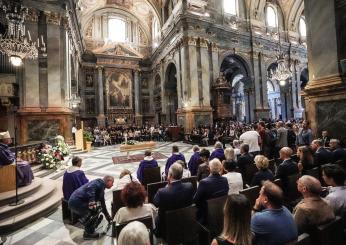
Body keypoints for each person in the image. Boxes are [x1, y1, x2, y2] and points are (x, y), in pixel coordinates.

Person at [153, 163, 195, 237]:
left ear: (170, 175)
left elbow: (155, 203)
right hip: (185, 222)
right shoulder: (189, 186)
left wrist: (167, 187)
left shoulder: (162, 192)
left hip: (166, 228)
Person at [194, 158, 229, 224]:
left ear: (209, 168)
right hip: (221, 211)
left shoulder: (204, 182)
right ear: (220, 168)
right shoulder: (225, 180)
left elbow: (196, 200)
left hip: (206, 215)